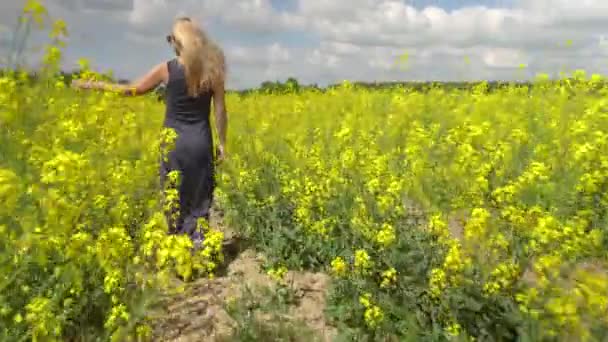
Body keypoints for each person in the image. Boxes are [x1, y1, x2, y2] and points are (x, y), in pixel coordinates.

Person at [72, 17, 228, 247]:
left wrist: (96, 85)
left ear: (178, 42)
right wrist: (223, 143)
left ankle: (177, 250)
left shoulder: (166, 70)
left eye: (170, 39)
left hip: (173, 144)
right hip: (201, 143)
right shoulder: (213, 72)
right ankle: (199, 248)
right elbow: (221, 111)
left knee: (174, 197)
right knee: (199, 198)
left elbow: (131, 90)